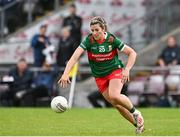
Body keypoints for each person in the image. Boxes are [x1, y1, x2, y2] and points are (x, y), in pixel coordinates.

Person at [58, 16, 144, 134]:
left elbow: (132, 53)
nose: (94, 33)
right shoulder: (89, 41)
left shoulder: (111, 40)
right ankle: (138, 124)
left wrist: (127, 69)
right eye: (92, 30)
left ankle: (136, 113)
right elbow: (74, 57)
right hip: (99, 76)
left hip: (115, 70)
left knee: (114, 95)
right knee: (116, 105)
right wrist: (65, 74)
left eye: (97, 30)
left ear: (103, 29)